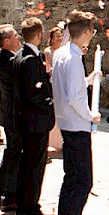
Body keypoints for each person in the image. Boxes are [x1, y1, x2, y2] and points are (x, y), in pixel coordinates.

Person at [51, 10, 103, 215]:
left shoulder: (63, 54)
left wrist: (88, 79)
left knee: (70, 180)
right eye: (91, 31)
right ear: (86, 32)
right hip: (76, 125)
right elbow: (73, 97)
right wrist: (90, 115)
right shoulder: (72, 58)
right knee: (83, 181)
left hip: (67, 124)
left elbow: (71, 85)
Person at [13, 18, 56, 215]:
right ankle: (30, 209)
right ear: (39, 35)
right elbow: (33, 94)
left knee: (28, 165)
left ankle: (24, 207)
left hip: (28, 121)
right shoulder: (30, 59)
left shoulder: (21, 56)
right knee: (34, 167)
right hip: (35, 121)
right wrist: (51, 103)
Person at [0, 24, 23, 212]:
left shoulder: (5, 58)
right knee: (13, 154)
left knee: (11, 153)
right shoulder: (8, 61)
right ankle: (9, 195)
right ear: (6, 41)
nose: (18, 37)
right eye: (14, 35)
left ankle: (2, 193)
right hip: (14, 115)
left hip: (10, 115)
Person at [44, 26, 65, 155]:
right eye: (56, 36)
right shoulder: (48, 51)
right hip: (52, 83)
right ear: (51, 39)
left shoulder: (63, 51)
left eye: (60, 35)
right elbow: (48, 68)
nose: (59, 38)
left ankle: (61, 142)